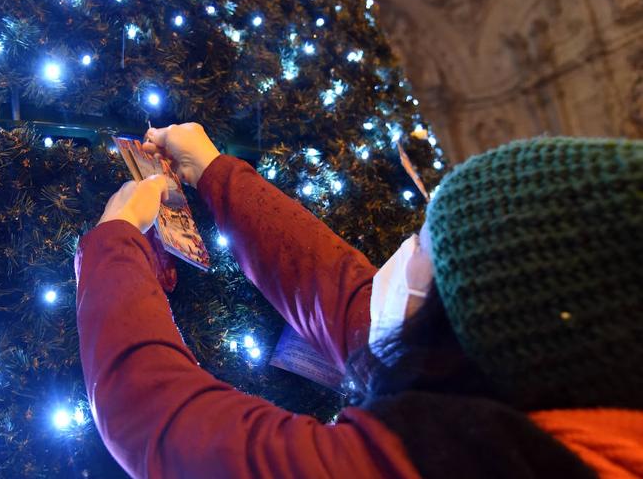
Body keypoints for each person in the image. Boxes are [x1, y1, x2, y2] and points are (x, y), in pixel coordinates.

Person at [75, 123, 643, 478]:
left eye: (431, 245)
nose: (408, 249)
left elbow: (173, 429)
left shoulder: (488, 462)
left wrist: (116, 242)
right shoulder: (577, 403)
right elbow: (366, 320)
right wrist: (218, 175)